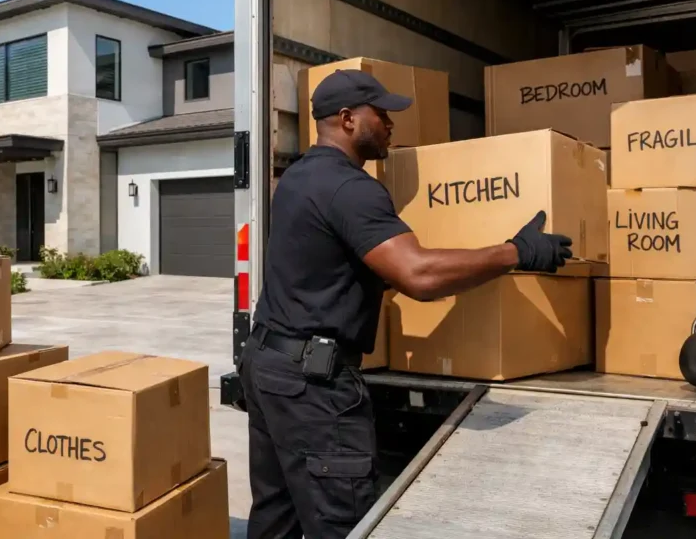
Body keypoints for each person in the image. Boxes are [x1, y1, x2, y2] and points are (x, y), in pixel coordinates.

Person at [238, 69, 573, 539]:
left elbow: (335, 271)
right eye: (383, 114)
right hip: (313, 387)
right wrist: (516, 252)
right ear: (348, 119)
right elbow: (417, 275)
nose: (392, 124)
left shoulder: (298, 177)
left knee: (278, 518)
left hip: (270, 366)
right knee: (344, 523)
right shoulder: (351, 188)